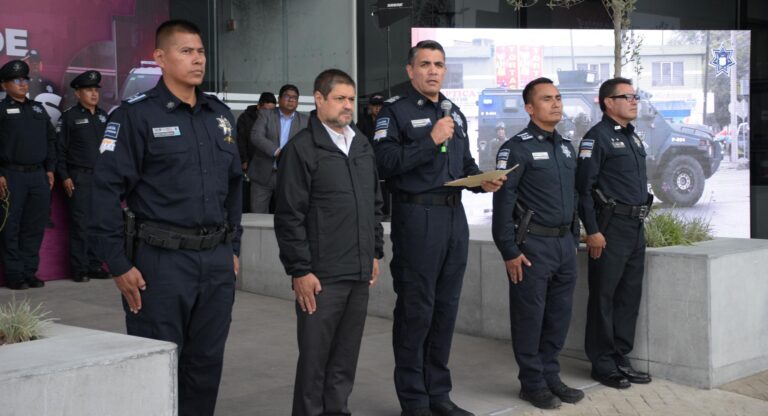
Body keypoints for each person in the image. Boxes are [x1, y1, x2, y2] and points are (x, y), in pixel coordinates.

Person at [89, 20, 242, 416]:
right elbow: (103, 193)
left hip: (214, 262)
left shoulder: (219, 116)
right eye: (186, 51)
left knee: (206, 364)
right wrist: (118, 263)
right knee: (157, 362)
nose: (197, 59)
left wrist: (233, 247)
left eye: (201, 51)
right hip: (160, 263)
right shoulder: (134, 117)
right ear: (159, 57)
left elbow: (234, 187)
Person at [374, 40, 504, 416]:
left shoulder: (455, 113)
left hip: (453, 217)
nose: (433, 70)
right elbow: (383, 163)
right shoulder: (393, 112)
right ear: (410, 70)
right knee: (417, 309)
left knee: (446, 309)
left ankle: (439, 395)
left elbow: (464, 164)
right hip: (417, 217)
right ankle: (414, 401)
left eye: (439, 65)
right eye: (425, 64)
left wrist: (483, 180)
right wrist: (429, 141)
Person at [275, 68, 384, 416]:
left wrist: (375, 252)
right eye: (340, 98)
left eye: (351, 99)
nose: (347, 106)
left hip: (358, 271)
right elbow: (289, 215)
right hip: (321, 277)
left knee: (344, 361)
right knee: (315, 364)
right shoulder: (302, 149)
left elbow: (374, 205)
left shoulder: (362, 144)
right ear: (319, 99)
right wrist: (300, 269)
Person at [491, 77, 583, 410]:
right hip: (532, 248)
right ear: (530, 108)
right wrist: (509, 250)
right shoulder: (515, 148)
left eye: (558, 97)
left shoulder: (565, 146)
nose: (556, 103)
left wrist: (573, 236)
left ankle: (550, 376)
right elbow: (503, 204)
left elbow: (572, 195)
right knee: (530, 318)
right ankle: (531, 383)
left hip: (563, 247)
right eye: (547, 99)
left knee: (558, 317)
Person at [576, 77, 653, 389]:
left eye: (636, 96)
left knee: (628, 297)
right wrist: (592, 231)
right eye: (627, 96)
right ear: (608, 102)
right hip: (610, 228)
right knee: (604, 297)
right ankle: (602, 363)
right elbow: (583, 190)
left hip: (635, 227)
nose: (634, 101)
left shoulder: (633, 138)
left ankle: (621, 357)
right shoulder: (597, 139)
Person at [0, 60, 57, 290]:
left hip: (38, 176)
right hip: (11, 174)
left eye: (25, 80)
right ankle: (14, 276)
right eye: (17, 80)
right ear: (4, 85)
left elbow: (51, 139)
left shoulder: (37, 108)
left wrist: (51, 169)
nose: (23, 84)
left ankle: (29, 272)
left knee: (34, 226)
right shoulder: (2, 111)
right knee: (10, 227)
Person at [57, 70, 110, 282]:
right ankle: (80, 269)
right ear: (78, 93)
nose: (94, 93)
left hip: (102, 179)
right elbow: (60, 149)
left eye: (96, 90)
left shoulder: (104, 116)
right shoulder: (70, 117)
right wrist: (64, 176)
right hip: (80, 177)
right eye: (89, 90)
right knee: (81, 224)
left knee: (99, 223)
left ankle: (95, 265)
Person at [248, 84, 308, 213]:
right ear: (279, 99)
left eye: (295, 98)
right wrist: (278, 152)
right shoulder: (266, 115)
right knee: (258, 217)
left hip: (289, 176)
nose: (291, 100)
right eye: (287, 96)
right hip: (263, 176)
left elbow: (307, 147)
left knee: (288, 215)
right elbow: (256, 136)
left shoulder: (304, 121)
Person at [237, 91, 277, 173]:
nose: (268, 113)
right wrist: (244, 160)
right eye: (266, 110)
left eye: (272, 110)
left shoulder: (276, 119)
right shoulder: (245, 118)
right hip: (250, 162)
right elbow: (240, 140)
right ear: (259, 106)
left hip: (269, 163)